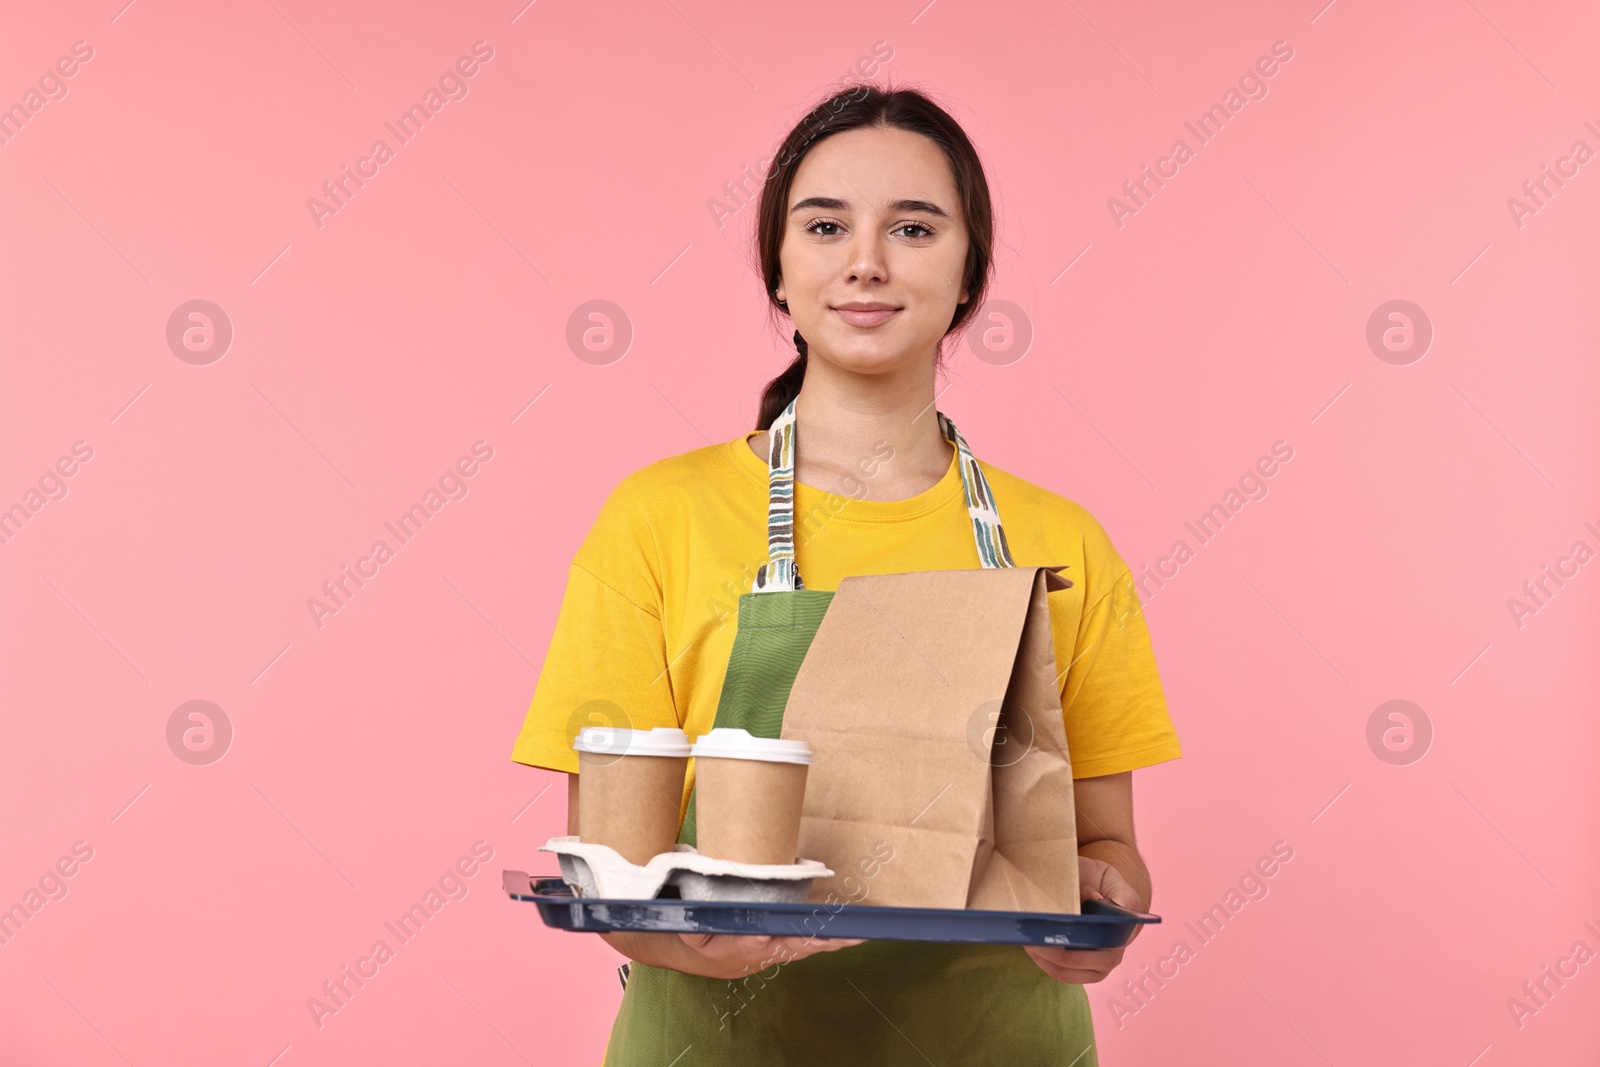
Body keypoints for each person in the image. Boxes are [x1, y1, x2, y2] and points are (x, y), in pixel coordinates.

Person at [510, 82, 1182, 1066]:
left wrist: (1107, 903)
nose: (865, 261)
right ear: (778, 273)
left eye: (913, 228)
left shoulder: (1062, 543)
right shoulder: (658, 519)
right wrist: (690, 943)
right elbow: (609, 866)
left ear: (969, 274)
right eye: (825, 225)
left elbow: (1108, 847)